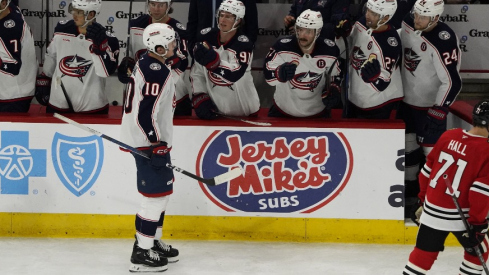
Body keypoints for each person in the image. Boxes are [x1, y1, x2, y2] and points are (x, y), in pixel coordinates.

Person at [403, 100, 489, 275]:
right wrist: (478, 225)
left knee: (422, 256)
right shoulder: (486, 151)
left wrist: (422, 200)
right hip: (462, 216)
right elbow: (479, 193)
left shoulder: (449, 135)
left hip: (431, 212)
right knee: (479, 253)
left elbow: (426, 172)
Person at [120, 23, 179, 272]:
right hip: (148, 143)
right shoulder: (157, 71)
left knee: (161, 194)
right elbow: (146, 114)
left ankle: (152, 241)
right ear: (160, 46)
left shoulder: (147, 62)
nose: (176, 46)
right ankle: (142, 252)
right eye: (172, 42)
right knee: (153, 197)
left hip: (149, 141)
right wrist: (155, 143)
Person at [397, 0, 462, 204]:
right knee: (408, 149)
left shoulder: (444, 40)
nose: (416, 19)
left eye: (422, 17)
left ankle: (433, 197)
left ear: (435, 18)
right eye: (416, 14)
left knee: (432, 154)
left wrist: (440, 108)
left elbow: (452, 81)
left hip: (429, 108)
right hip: (406, 102)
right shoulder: (410, 21)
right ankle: (411, 191)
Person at [35, 0, 119, 114]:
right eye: (73, 10)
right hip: (58, 103)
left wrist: (100, 48)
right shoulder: (62, 29)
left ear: (91, 14)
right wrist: (45, 77)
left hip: (92, 107)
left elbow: (105, 72)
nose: (74, 15)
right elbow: (52, 55)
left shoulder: (108, 40)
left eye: (79, 12)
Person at [117, 0, 191, 116]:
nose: (156, 9)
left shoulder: (178, 30)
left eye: (161, 5)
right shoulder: (135, 25)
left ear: (169, 5)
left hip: (173, 98)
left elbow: (182, 62)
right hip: (142, 98)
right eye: (153, 4)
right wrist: (126, 65)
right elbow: (131, 54)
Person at [264, 9, 341, 118]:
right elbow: (269, 78)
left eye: (308, 31)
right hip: (283, 112)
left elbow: (335, 74)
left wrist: (334, 88)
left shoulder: (330, 50)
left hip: (318, 114)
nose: (302, 36)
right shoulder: (281, 47)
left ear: (317, 32)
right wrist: (279, 73)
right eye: (299, 30)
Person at [190, 0, 259, 120]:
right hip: (216, 110)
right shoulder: (207, 37)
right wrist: (200, 95)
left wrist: (215, 62)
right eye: (221, 15)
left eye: (228, 17)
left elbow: (234, 74)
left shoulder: (244, 45)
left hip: (244, 110)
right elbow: (198, 72)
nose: (222, 20)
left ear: (238, 20)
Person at [335, 0, 403, 119]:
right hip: (354, 97)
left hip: (377, 104)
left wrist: (373, 78)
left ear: (385, 17)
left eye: (373, 13)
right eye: (368, 10)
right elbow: (345, 52)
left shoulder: (389, 44)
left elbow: (382, 84)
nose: (367, 15)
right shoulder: (363, 23)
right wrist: (342, 35)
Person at [0, 0, 37, 112]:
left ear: (3, 3)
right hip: (13, 91)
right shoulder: (11, 8)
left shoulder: (8, 30)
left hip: (11, 96)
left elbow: (13, 68)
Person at [187, 0, 258, 47]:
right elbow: (192, 21)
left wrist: (247, 45)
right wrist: (192, 46)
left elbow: (251, 21)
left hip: (234, 46)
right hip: (204, 46)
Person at [284, 0, 349, 39]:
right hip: (298, 40)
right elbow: (294, 11)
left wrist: (305, 30)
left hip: (323, 44)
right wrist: (290, 19)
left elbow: (337, 26)